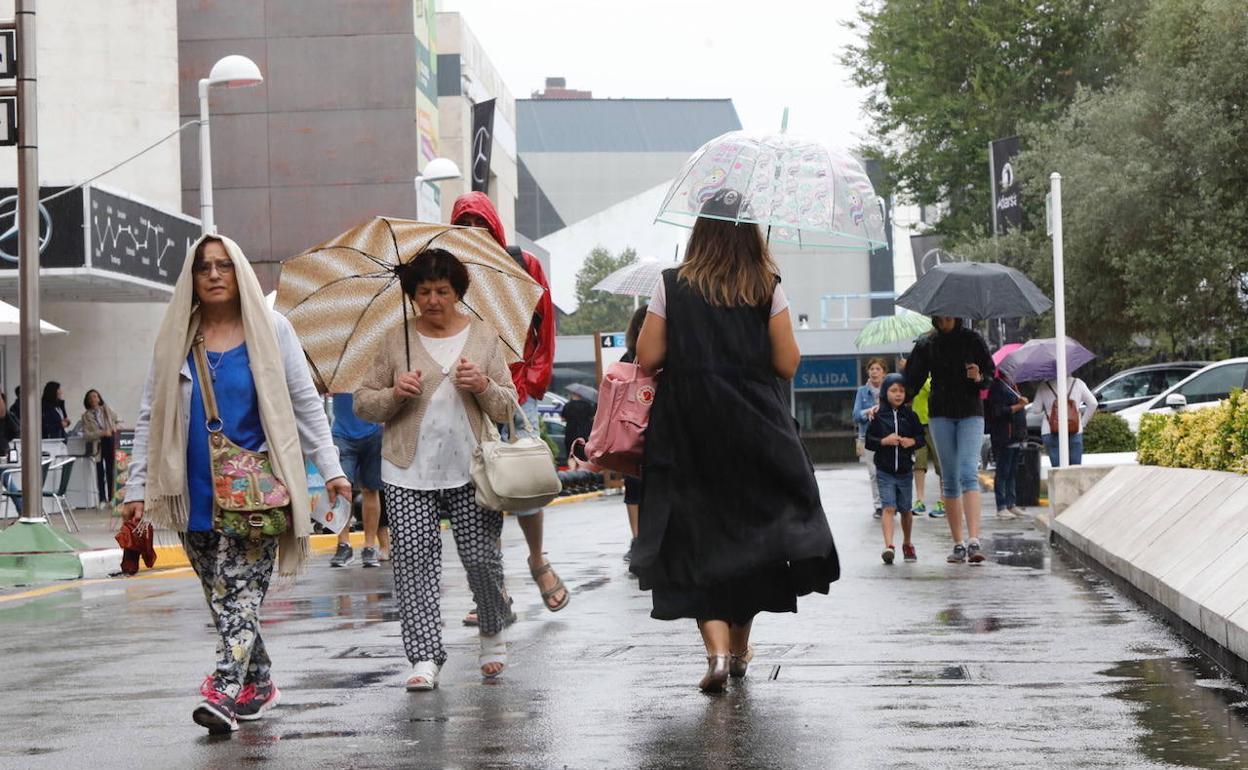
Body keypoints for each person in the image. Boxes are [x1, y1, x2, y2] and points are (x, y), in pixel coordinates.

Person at [123, 233, 350, 734]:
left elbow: (304, 402)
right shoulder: (176, 337)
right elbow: (149, 414)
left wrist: (331, 468)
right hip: (190, 493)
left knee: (238, 594)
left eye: (224, 265)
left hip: (258, 493)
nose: (214, 274)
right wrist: (136, 489)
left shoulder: (273, 329)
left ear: (240, 271)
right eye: (203, 267)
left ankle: (223, 689)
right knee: (225, 599)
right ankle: (261, 681)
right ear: (192, 278)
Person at [631, 188, 840, 693]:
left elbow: (647, 356)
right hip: (754, 428)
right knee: (752, 541)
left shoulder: (671, 286)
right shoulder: (767, 285)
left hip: (687, 429)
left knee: (697, 542)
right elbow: (787, 363)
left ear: (699, 229)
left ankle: (718, 654)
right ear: (749, 232)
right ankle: (741, 649)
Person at [354, 247, 518, 690]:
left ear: (457, 292)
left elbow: (507, 406)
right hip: (407, 471)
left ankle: (492, 633)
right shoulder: (395, 341)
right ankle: (425, 655)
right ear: (411, 295)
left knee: (482, 559)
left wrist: (482, 385)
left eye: (442, 290)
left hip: (473, 469)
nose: (432, 300)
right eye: (423, 291)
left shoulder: (484, 337)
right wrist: (394, 393)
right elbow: (363, 402)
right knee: (412, 562)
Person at [451, 192, 568, 616]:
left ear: (494, 227)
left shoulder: (522, 263)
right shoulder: (451, 274)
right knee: (483, 488)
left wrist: (534, 382)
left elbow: (545, 325)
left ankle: (538, 561)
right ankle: (490, 587)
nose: (473, 234)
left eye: (479, 225)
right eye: (464, 226)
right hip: (469, 392)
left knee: (525, 480)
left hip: (518, 391)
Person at [904, 316, 995, 564]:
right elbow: (912, 381)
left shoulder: (973, 340)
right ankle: (958, 543)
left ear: (957, 314)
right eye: (940, 313)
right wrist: (896, 396)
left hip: (970, 413)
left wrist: (978, 377)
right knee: (950, 477)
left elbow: (990, 373)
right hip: (941, 414)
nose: (945, 318)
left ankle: (974, 540)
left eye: (949, 313)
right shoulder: (927, 345)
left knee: (968, 472)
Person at [864, 373, 925, 564]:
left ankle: (907, 543)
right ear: (885, 392)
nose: (898, 394)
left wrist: (911, 441)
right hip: (885, 471)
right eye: (893, 390)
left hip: (905, 471)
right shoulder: (878, 416)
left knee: (906, 510)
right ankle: (888, 546)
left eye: (901, 390)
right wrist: (884, 441)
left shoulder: (911, 415)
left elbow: (921, 438)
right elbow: (869, 442)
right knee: (888, 507)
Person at [327, 393, 390, 568]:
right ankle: (344, 545)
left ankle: (369, 546)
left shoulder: (373, 368)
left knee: (371, 489)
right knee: (341, 490)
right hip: (342, 433)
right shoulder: (338, 369)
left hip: (373, 431)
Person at [620, 304, 648, 564]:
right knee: (633, 486)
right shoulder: (627, 359)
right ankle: (637, 539)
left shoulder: (670, 355)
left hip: (660, 430)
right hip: (632, 432)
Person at [986, 368, 1030, 520]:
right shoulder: (997, 387)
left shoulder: (1013, 385)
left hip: (1016, 436)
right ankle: (1001, 506)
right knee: (1003, 471)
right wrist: (1019, 405)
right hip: (1004, 436)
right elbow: (997, 412)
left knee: (1012, 472)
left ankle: (1012, 503)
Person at [1030, 374, 1098, 467]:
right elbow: (1093, 403)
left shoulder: (1044, 386)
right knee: (1075, 468)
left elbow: (1036, 410)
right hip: (1075, 429)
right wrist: (1082, 423)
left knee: (1057, 469)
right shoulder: (1078, 383)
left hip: (1050, 430)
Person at [853, 358, 887, 518]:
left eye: (878, 369)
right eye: (871, 369)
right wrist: (869, 412)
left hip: (887, 436)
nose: (874, 372)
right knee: (874, 472)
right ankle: (879, 505)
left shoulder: (889, 390)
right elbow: (856, 415)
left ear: (884, 372)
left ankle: (889, 502)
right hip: (868, 437)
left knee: (888, 471)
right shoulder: (862, 391)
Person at [910, 373, 945, 518]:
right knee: (919, 463)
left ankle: (944, 501)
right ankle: (919, 500)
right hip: (917, 424)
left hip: (935, 423)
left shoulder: (933, 374)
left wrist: (920, 376)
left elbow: (932, 388)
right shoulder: (913, 374)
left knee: (941, 464)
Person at [81, 389, 123, 508]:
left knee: (111, 470)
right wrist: (101, 433)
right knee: (100, 472)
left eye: (95, 396)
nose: (93, 399)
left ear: (99, 398)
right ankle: (102, 499)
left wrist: (113, 429)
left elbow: (119, 420)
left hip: (110, 441)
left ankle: (112, 498)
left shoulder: (107, 410)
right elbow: (86, 435)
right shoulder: (86, 416)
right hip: (97, 445)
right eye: (91, 397)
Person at [560, 390, 595, 465]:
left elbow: (563, 419)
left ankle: (572, 470)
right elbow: (592, 418)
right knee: (583, 453)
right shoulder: (587, 405)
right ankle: (583, 469)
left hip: (570, 433)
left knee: (571, 453)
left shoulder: (568, 405)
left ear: (573, 395)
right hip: (584, 433)